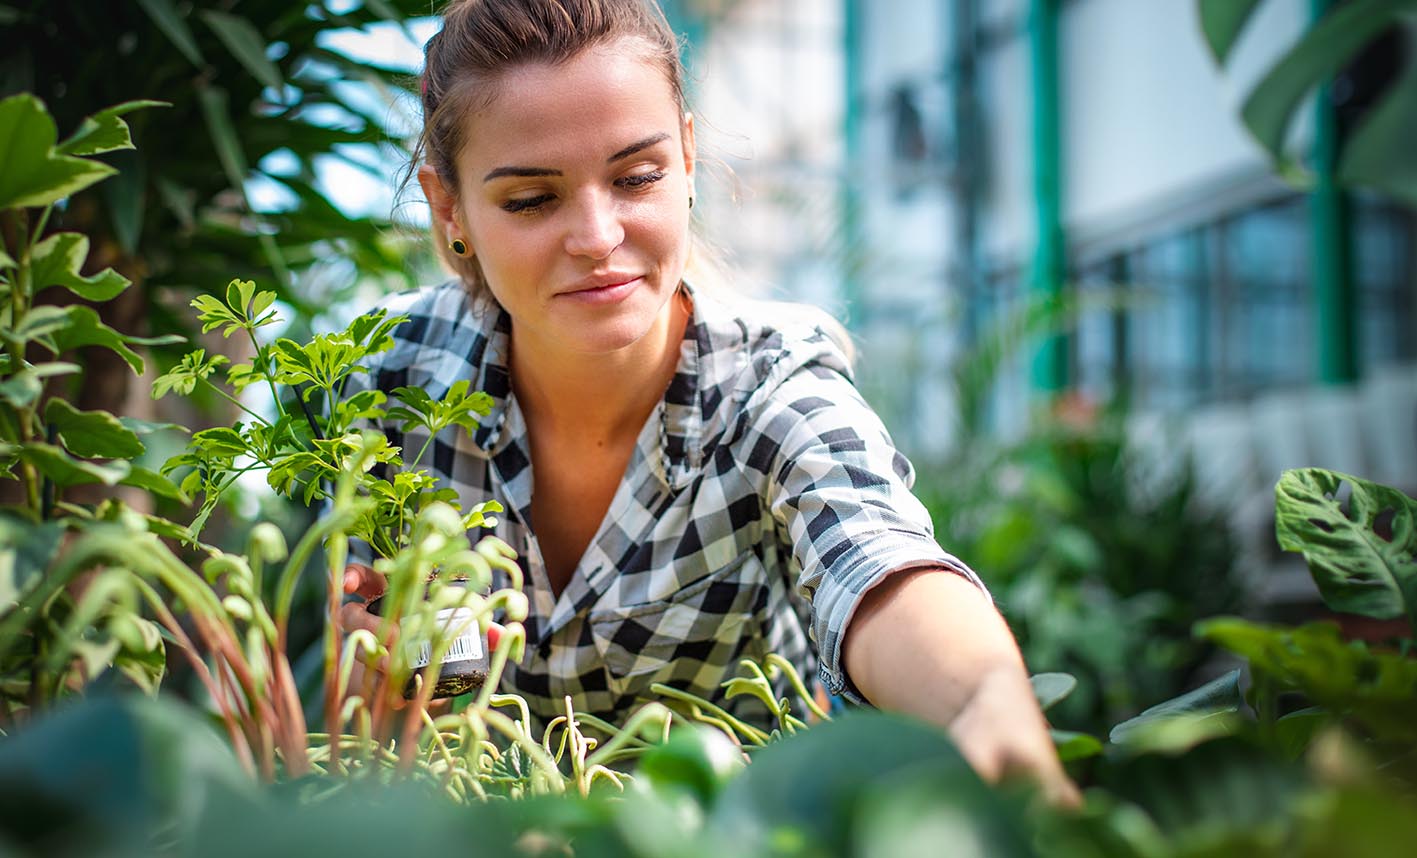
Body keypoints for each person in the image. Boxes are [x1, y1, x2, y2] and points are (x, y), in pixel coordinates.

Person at [337, 0, 1078, 805]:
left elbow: (875, 558)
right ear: (449, 207)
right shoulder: (393, 384)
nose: (596, 235)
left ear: (686, 156)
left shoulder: (769, 388)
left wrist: (986, 709)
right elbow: (409, 692)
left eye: (636, 177)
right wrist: (404, 679)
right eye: (530, 200)